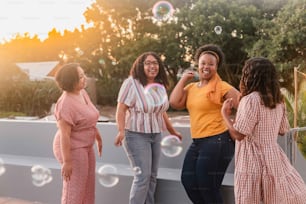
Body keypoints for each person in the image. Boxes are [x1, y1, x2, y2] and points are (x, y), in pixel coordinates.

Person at [221, 57, 306, 204]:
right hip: (273, 158)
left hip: (251, 161)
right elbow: (283, 130)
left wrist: (225, 115)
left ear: (250, 76)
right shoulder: (278, 100)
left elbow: (238, 135)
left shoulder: (250, 100)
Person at [169, 44, 240, 204]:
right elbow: (174, 102)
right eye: (203, 63)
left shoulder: (222, 87)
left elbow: (244, 105)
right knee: (188, 181)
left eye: (210, 64)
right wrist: (183, 79)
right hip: (198, 141)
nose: (206, 67)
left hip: (219, 140)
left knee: (207, 186)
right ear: (197, 65)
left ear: (216, 67)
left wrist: (231, 121)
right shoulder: (191, 87)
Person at [114, 51, 182, 204]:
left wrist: (173, 131)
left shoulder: (160, 85)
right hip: (135, 135)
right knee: (142, 177)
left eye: (155, 63)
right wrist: (120, 130)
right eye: (148, 63)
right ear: (140, 66)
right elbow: (121, 108)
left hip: (156, 135)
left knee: (152, 177)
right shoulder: (131, 83)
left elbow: (161, 112)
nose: (153, 66)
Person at [53, 63, 102, 204]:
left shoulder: (82, 93)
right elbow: (65, 135)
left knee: (88, 187)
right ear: (70, 81)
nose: (84, 78)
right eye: (80, 77)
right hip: (72, 148)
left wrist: (98, 138)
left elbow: (88, 119)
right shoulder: (65, 104)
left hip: (86, 145)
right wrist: (67, 162)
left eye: (83, 74)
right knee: (74, 189)